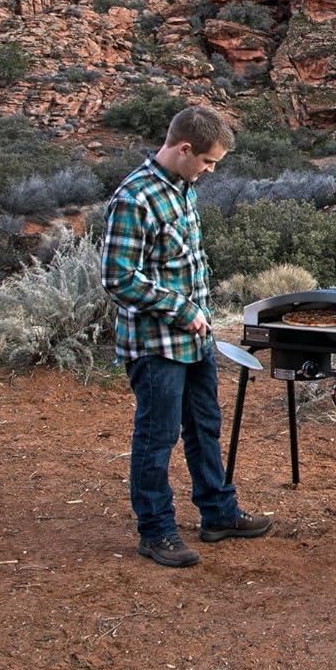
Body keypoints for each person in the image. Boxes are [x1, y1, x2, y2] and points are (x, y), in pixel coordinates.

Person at [101, 105, 272, 567]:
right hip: (156, 344)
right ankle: (156, 532)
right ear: (183, 149)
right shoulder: (135, 198)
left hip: (194, 341)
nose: (211, 170)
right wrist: (180, 310)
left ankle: (218, 514)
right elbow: (118, 277)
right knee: (157, 437)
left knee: (204, 428)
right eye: (208, 161)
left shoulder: (183, 188)